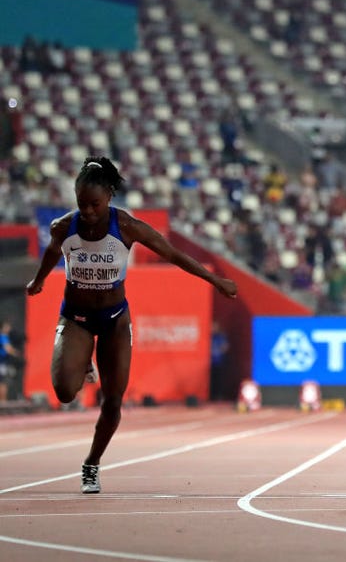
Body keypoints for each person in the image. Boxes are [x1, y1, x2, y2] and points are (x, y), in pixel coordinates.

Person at [25, 157, 238, 493]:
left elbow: (172, 254)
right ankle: (83, 363)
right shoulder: (64, 227)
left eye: (95, 205)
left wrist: (214, 280)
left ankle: (92, 463)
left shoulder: (126, 226)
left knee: (112, 402)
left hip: (114, 322)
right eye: (82, 204)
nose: (89, 212)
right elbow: (52, 253)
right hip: (76, 318)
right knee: (65, 392)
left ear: (109, 196)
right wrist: (38, 281)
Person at [0, 319, 21, 402]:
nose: (9, 328)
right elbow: (8, 349)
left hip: (3, 362)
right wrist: (16, 353)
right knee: (3, 383)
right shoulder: (3, 336)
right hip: (2, 363)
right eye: (7, 327)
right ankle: (2, 401)